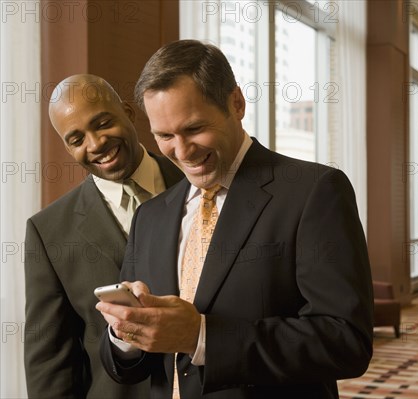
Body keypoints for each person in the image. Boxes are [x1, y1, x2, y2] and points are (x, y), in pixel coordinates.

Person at [97, 40, 373, 399]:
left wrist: (200, 336)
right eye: (164, 136)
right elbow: (128, 368)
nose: (181, 152)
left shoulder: (314, 192)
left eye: (194, 128)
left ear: (237, 104)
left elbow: (345, 341)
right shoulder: (150, 216)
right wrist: (125, 333)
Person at [24, 74, 184, 398]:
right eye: (76, 138)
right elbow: (50, 365)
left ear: (129, 111)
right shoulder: (48, 232)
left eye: (102, 123)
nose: (95, 144)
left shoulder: (197, 186)